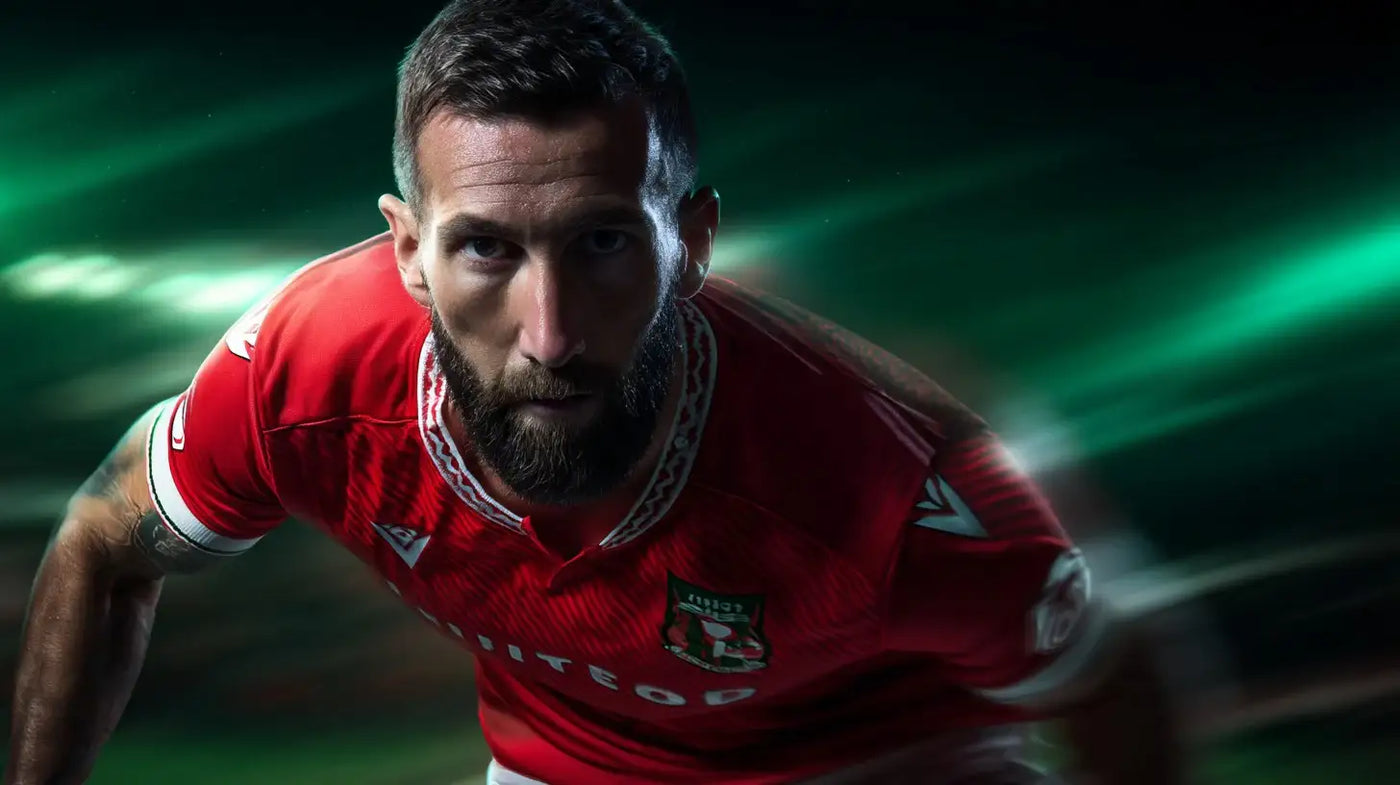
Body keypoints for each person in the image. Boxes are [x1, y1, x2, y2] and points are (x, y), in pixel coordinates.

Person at [5, 1, 1188, 783]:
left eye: (604, 243)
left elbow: (1113, 676)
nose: (550, 334)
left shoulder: (888, 489)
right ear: (406, 250)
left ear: (693, 240)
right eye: (484, 250)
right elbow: (107, 544)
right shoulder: (304, 373)